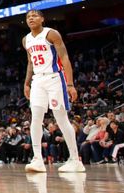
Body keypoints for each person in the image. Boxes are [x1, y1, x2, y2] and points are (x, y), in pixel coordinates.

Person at [22, 9, 85, 173]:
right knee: (35, 118)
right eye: (28, 17)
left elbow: (64, 58)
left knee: (61, 118)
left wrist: (70, 84)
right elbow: (30, 62)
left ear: (42, 19)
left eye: (34, 16)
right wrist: (27, 83)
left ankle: (75, 159)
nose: (31, 18)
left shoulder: (51, 34)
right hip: (38, 80)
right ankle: (37, 159)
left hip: (55, 78)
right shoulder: (26, 39)